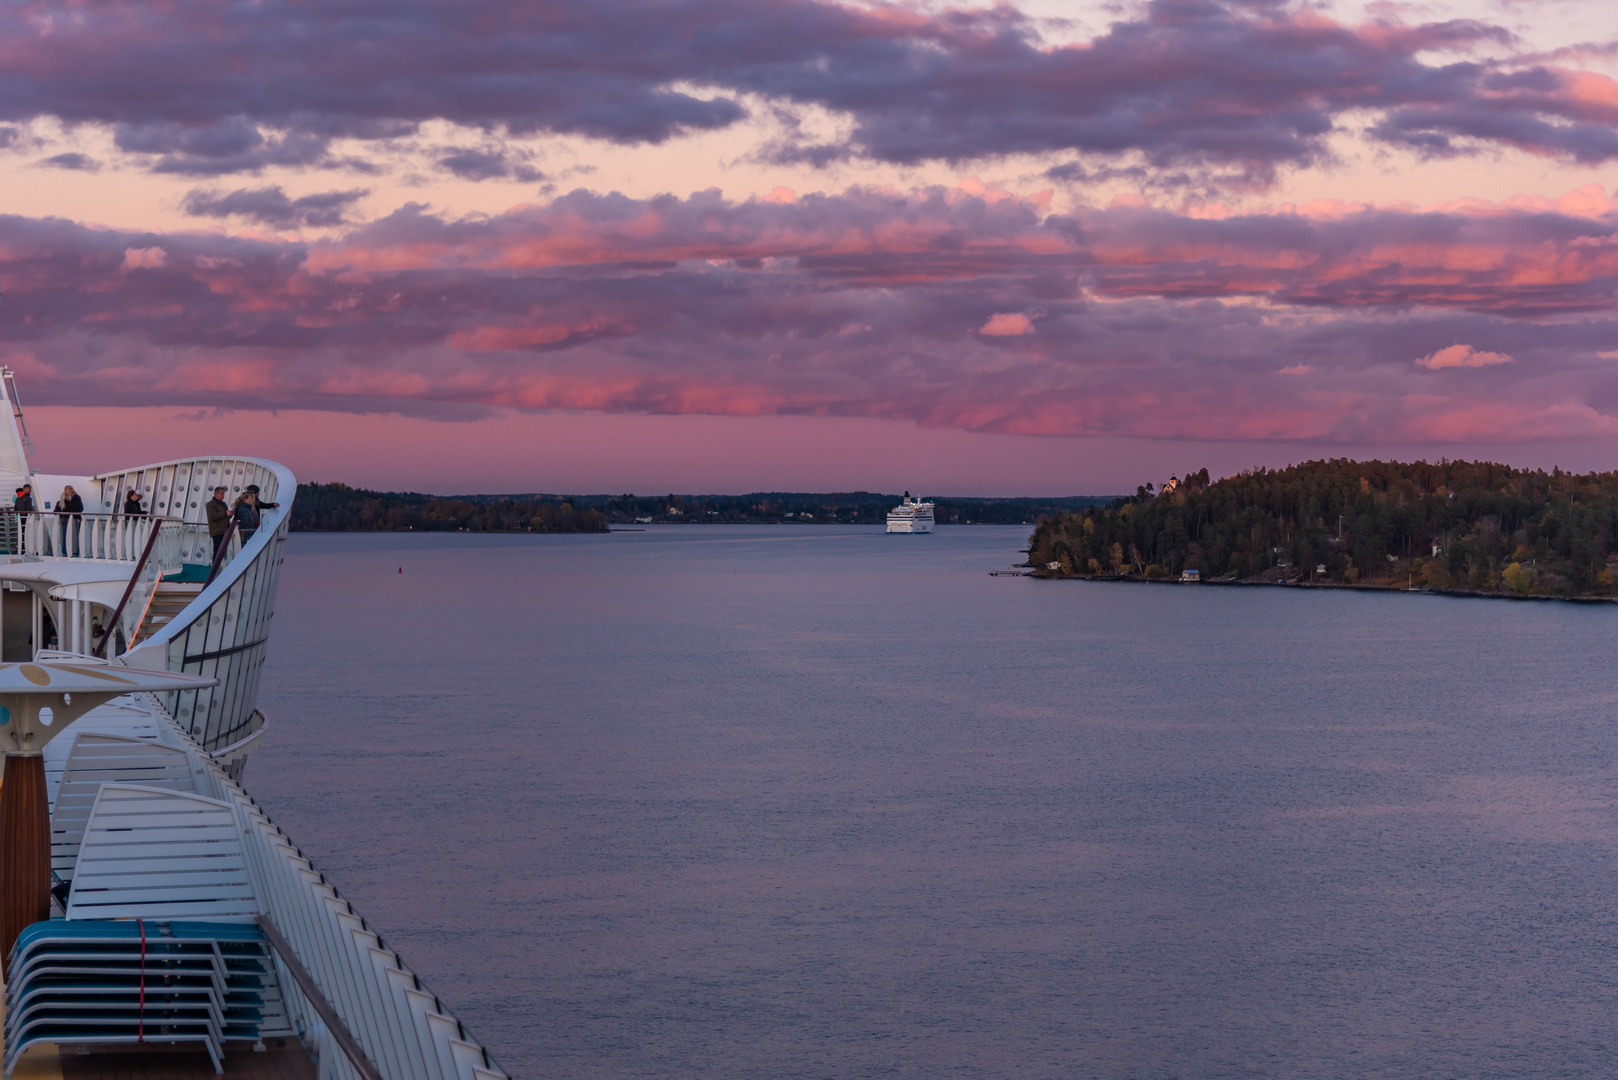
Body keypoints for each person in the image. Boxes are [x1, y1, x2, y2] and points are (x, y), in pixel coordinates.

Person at [206, 485, 231, 562]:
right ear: (216, 494)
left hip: (224, 530)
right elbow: (213, 516)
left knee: (222, 550)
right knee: (217, 550)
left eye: (224, 494)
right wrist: (225, 514)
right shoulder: (211, 504)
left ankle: (220, 566)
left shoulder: (223, 504)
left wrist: (229, 515)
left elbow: (224, 516)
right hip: (216, 531)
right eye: (222, 494)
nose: (223, 495)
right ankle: (215, 568)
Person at [57, 484, 83, 557]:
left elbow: (80, 508)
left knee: (75, 535)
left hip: (75, 520)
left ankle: (75, 551)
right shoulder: (63, 499)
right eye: (65, 489)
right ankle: (65, 551)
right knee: (65, 535)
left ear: (71, 489)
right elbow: (61, 509)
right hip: (65, 520)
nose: (65, 491)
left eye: (67, 489)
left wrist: (75, 513)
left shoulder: (76, 497)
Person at [13, 483, 33, 555]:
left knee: (20, 533)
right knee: (26, 533)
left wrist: (19, 514)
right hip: (26, 518)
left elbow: (15, 509)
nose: (30, 492)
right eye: (30, 490)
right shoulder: (28, 498)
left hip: (19, 518)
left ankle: (19, 548)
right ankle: (25, 548)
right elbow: (28, 509)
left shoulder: (17, 498)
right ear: (26, 489)